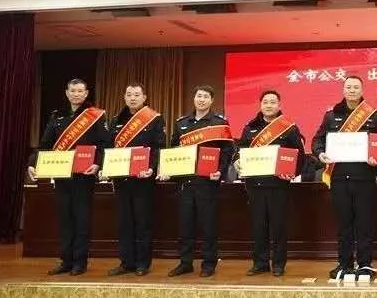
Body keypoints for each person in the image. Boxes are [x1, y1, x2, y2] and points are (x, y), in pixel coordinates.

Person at [27, 78, 108, 276]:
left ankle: (80, 262)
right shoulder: (57, 116)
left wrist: (98, 163)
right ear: (66, 93)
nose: (76, 94)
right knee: (65, 220)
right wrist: (32, 163)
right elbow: (45, 144)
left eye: (80, 91)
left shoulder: (95, 116)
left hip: (84, 176)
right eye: (73, 90)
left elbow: (104, 145)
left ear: (86, 93)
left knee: (81, 220)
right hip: (62, 176)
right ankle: (65, 260)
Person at [311, 76, 377, 281]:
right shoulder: (331, 116)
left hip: (364, 177)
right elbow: (317, 141)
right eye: (348, 87)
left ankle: (365, 264)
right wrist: (320, 154)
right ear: (343, 90)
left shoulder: (373, 115)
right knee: (343, 224)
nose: (352, 90)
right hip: (339, 178)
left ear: (362, 90)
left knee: (364, 223)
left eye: (356, 87)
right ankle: (344, 264)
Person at [161, 85, 235, 278]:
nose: (201, 99)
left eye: (205, 97)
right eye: (199, 96)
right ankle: (185, 262)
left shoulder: (219, 123)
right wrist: (169, 170)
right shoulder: (182, 123)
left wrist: (220, 171)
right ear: (194, 99)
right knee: (185, 225)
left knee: (208, 225)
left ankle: (209, 263)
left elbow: (228, 151)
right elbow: (174, 149)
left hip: (207, 182)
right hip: (185, 182)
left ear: (211, 100)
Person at [234, 90, 306, 277]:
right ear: (260, 105)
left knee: (279, 226)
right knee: (258, 226)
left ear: (279, 105)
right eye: (265, 102)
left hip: (278, 185)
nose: (269, 105)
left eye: (272, 102)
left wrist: (292, 173)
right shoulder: (250, 127)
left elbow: (299, 156)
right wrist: (237, 160)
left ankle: (279, 264)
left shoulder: (288, 128)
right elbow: (239, 150)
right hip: (255, 185)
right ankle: (260, 263)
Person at [106, 83, 166, 277]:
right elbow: (109, 148)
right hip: (122, 180)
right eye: (129, 94)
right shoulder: (116, 120)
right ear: (124, 97)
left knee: (142, 222)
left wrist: (151, 168)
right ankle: (126, 262)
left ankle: (142, 263)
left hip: (143, 180)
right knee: (124, 223)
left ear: (144, 97)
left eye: (137, 95)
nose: (133, 98)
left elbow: (158, 148)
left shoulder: (154, 119)